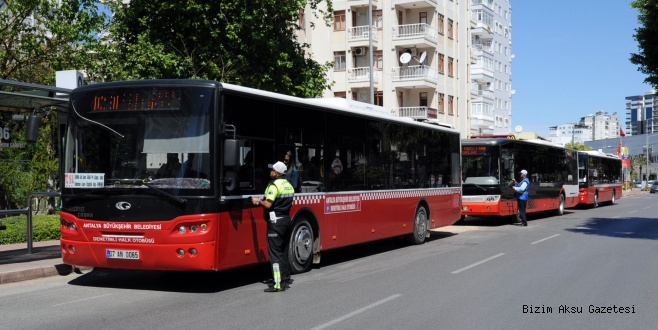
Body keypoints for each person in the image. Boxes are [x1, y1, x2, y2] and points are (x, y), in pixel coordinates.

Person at [251, 161, 295, 292]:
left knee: (275, 254)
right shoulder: (289, 185)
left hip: (276, 223)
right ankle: (285, 278)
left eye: (272, 170)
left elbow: (268, 205)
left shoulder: (274, 185)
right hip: (287, 220)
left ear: (276, 173)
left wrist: (258, 201)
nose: (270, 171)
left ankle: (278, 283)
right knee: (284, 252)